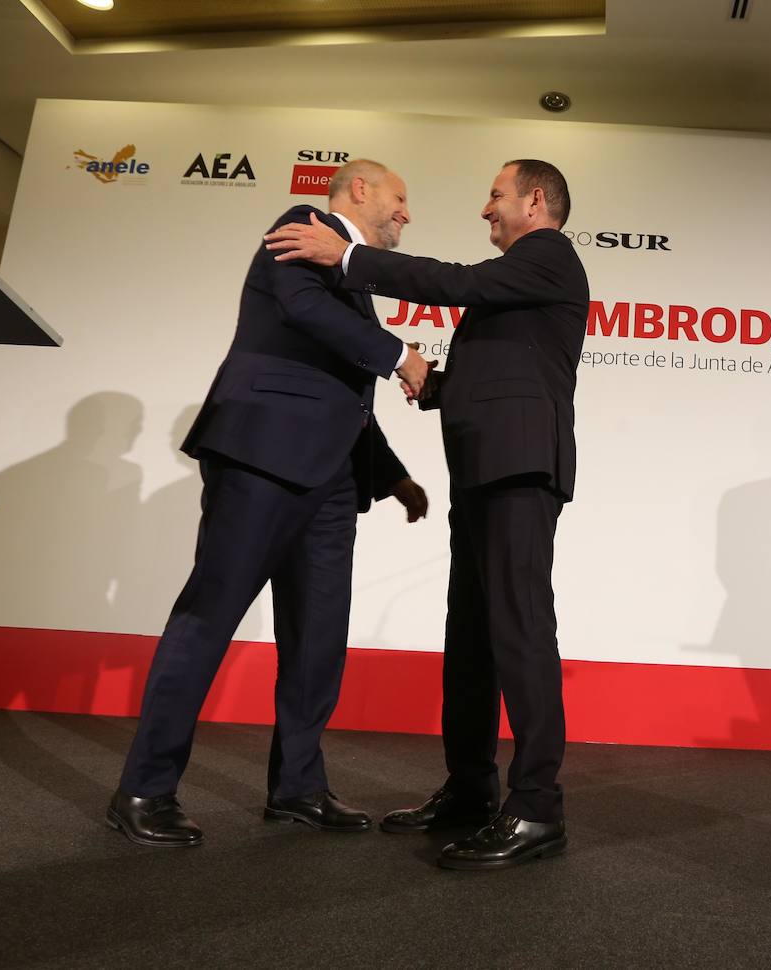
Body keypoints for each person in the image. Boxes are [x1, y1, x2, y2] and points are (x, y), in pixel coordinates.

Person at [265, 159, 587, 869]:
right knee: (471, 639)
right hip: (482, 473)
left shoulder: (549, 255)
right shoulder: (523, 281)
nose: (486, 209)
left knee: (521, 632)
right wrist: (435, 384)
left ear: (535, 202)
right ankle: (471, 789)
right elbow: (505, 366)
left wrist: (348, 256)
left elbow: (453, 280)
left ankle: (537, 809)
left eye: (496, 195)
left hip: (521, 471)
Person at [108, 160, 432, 848]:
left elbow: (336, 386)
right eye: (401, 200)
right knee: (208, 617)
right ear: (362, 190)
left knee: (319, 638)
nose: (407, 214)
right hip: (260, 460)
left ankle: (298, 788)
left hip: (333, 481)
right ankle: (145, 787)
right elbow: (303, 311)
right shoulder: (300, 227)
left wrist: (392, 475)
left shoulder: (349, 269)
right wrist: (400, 355)